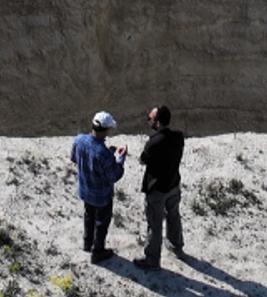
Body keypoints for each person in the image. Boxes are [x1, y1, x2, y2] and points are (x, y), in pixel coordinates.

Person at [133, 102, 186, 270]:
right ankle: (176, 245)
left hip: (157, 189)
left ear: (158, 123)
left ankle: (152, 259)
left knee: (155, 224)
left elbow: (142, 160)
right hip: (173, 184)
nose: (148, 120)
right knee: (174, 215)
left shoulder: (153, 143)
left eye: (150, 118)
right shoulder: (178, 137)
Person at [70, 110, 128, 262]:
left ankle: (87, 243)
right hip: (102, 196)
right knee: (101, 222)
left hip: (85, 190)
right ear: (106, 130)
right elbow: (115, 175)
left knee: (88, 216)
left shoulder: (79, 140)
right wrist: (121, 158)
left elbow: (74, 158)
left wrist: (109, 152)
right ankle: (98, 251)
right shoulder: (104, 154)